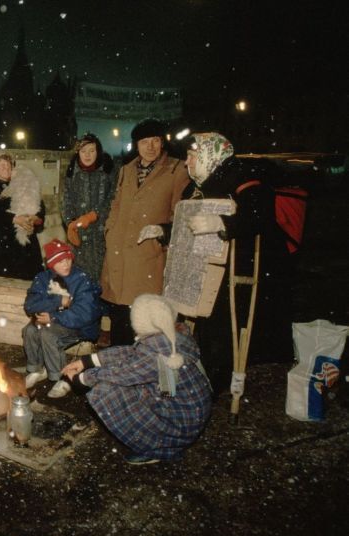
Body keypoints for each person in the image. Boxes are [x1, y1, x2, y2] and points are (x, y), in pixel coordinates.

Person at [179, 132, 294, 392]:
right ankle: (206, 375)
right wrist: (164, 231)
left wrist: (223, 223)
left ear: (209, 154)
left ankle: (217, 381)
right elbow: (187, 221)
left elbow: (259, 214)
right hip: (209, 266)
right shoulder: (198, 183)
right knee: (207, 322)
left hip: (238, 268)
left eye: (191, 156)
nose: (186, 162)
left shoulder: (241, 175)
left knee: (222, 326)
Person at [63, 294, 212, 465]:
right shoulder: (170, 336)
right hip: (189, 411)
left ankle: (161, 449)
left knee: (104, 390)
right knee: (119, 381)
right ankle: (166, 441)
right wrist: (87, 361)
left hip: (181, 423)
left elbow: (124, 374)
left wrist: (83, 378)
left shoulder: (157, 354)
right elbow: (130, 353)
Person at [99, 118, 189, 346]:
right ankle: (120, 368)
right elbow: (116, 204)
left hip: (148, 255)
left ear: (162, 143)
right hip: (119, 252)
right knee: (119, 313)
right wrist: (109, 230)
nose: (150, 147)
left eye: (155, 141)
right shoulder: (127, 170)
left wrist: (162, 235)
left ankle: (143, 369)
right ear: (136, 145)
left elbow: (180, 214)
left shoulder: (177, 170)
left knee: (144, 317)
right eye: (144, 141)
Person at [23, 239, 102, 398]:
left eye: (67, 259)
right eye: (59, 261)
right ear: (51, 265)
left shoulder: (81, 279)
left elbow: (85, 313)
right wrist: (58, 301)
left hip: (78, 326)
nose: (65, 264)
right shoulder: (43, 278)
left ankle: (61, 376)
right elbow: (30, 305)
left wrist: (52, 317)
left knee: (48, 334)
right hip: (54, 319)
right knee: (29, 330)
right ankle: (36, 369)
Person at [0, 149, 45, 280]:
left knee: (32, 283)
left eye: (9, 165)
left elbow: (40, 208)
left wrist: (34, 219)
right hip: (6, 245)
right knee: (6, 286)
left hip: (28, 243)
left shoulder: (25, 183)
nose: (7, 168)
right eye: (2, 166)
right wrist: (15, 219)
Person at [62, 133, 117, 283]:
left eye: (92, 150)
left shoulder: (108, 171)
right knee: (79, 281)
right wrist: (70, 223)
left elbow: (113, 199)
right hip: (79, 238)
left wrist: (95, 215)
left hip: (103, 236)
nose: (87, 155)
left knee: (102, 282)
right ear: (78, 153)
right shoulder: (72, 172)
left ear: (98, 151)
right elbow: (66, 201)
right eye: (83, 151)